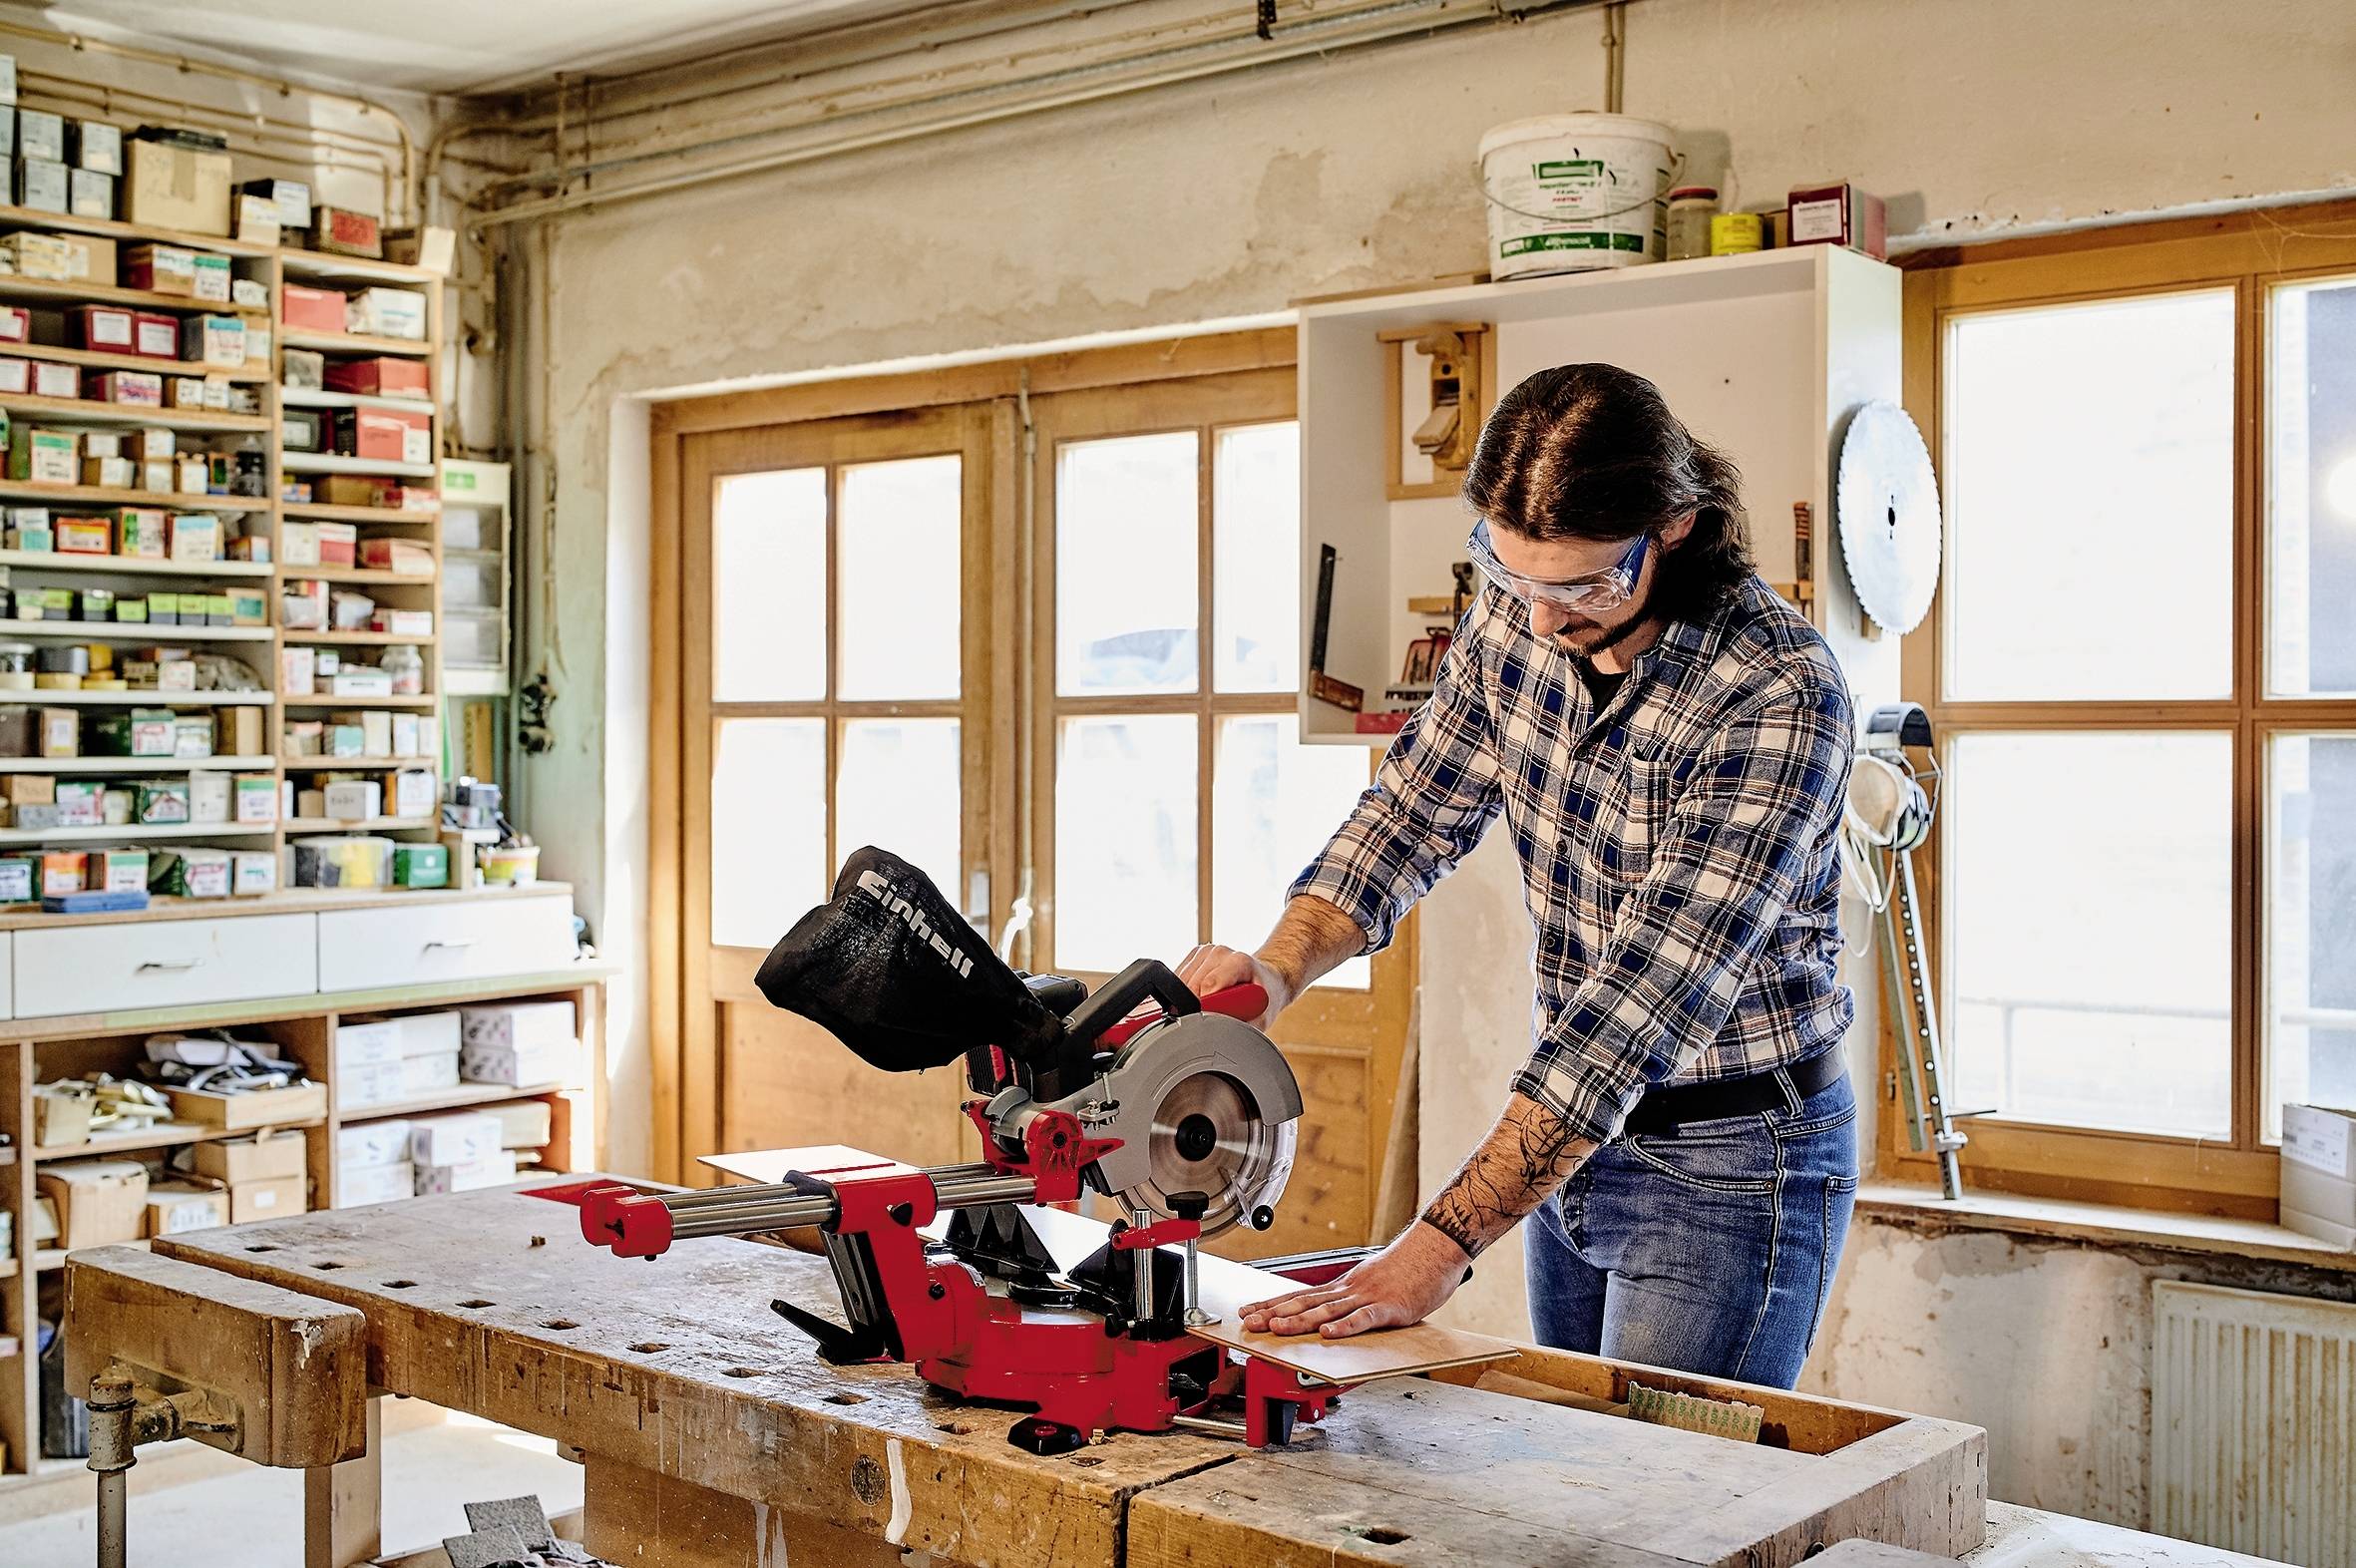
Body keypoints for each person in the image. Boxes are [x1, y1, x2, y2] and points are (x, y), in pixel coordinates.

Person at [1176, 363, 1858, 1389]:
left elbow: (1633, 1015)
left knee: (1657, 1512)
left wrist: (1430, 1251)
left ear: (1673, 525)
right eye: (1512, 579)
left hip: (1728, 1164)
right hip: (1575, 1148)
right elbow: (1409, 814)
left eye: (1582, 585)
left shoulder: (1778, 693)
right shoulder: (1522, 613)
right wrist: (1269, 978)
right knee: (1575, 1476)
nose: (1540, 621)